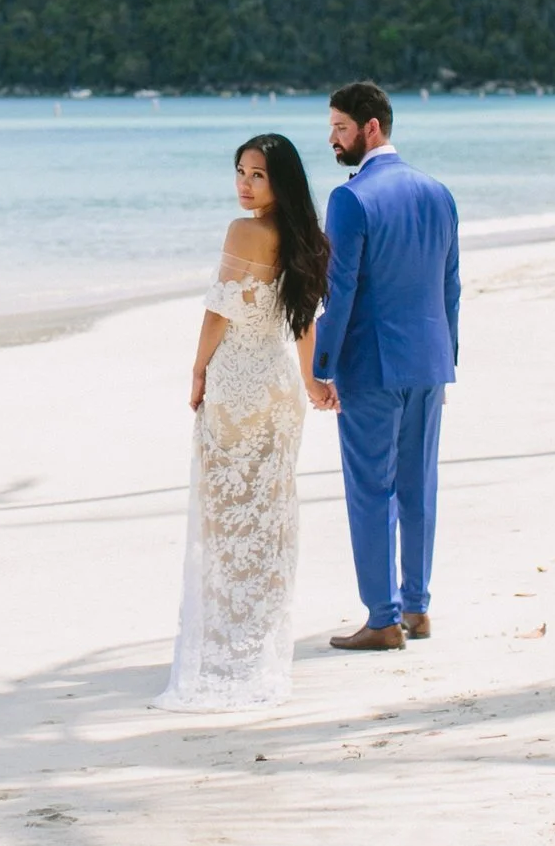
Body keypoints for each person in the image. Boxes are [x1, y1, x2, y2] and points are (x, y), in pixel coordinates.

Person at [155, 133, 332, 711]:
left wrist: (197, 371)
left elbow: (218, 310)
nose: (244, 184)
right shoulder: (306, 237)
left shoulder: (243, 233)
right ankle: (261, 636)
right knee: (270, 514)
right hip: (278, 387)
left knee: (229, 517)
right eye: (240, 172)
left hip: (237, 382)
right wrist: (309, 381)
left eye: (257, 174)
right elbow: (304, 324)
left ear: (280, 180)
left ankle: (233, 637)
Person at [312, 80, 461, 652]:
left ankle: (382, 619)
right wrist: (446, 360)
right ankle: (417, 610)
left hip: (370, 364)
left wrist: (322, 364)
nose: (333, 138)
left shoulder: (350, 199)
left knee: (371, 490)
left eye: (340, 127)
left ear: (371, 127)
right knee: (419, 487)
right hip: (428, 362)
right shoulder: (438, 193)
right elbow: (449, 286)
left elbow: (340, 290)